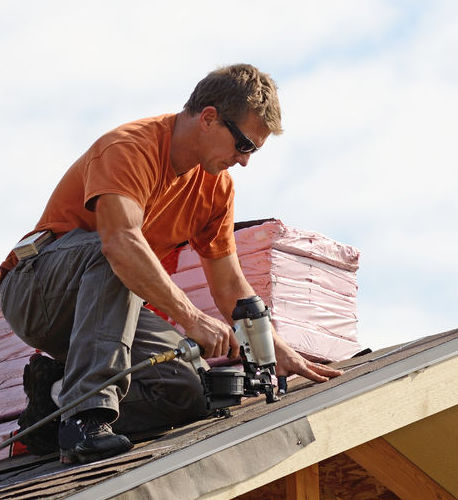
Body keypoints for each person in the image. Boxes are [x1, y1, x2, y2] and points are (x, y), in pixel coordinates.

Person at [0, 64, 342, 465]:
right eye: (244, 145)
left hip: (105, 308)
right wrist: (192, 319)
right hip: (36, 292)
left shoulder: (216, 187)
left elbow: (230, 283)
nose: (245, 161)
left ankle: (52, 405)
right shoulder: (129, 147)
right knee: (120, 251)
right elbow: (120, 244)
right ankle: (84, 420)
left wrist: (278, 350)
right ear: (209, 118)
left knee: (185, 391)